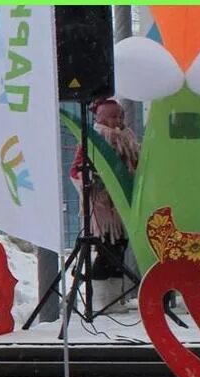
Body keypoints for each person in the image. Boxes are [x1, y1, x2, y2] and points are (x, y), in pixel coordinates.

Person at [70, 97, 141, 311]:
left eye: (120, 116)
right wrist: (93, 177)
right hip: (102, 207)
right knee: (107, 249)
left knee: (120, 247)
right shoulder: (93, 139)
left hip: (123, 205)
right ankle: (101, 299)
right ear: (102, 118)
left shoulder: (128, 138)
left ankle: (115, 298)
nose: (118, 121)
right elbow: (75, 171)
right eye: (113, 117)